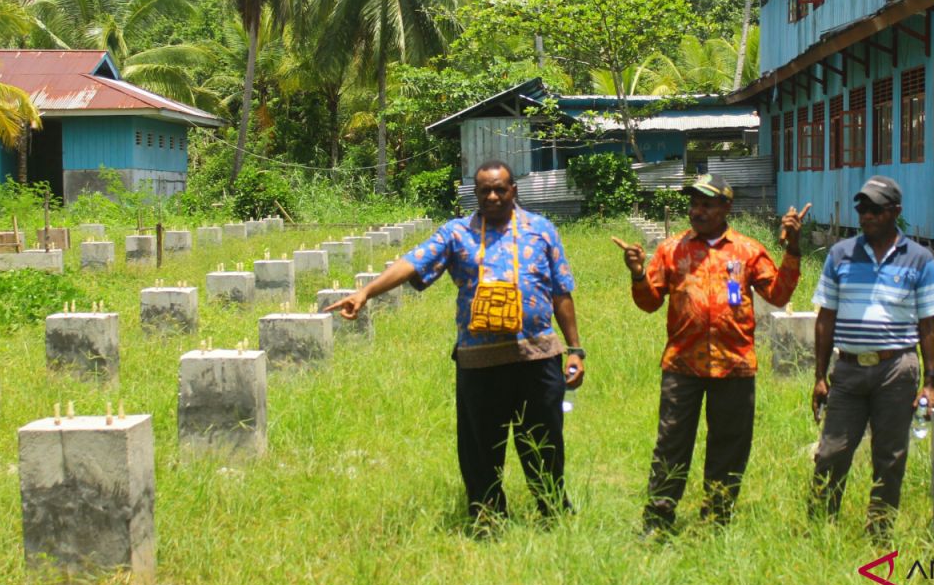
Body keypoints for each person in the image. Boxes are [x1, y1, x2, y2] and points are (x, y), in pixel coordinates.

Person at [326, 160, 585, 525]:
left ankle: (552, 513)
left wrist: (575, 350)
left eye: (500, 189)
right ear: (475, 194)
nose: (493, 196)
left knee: (544, 443)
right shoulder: (456, 233)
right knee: (480, 449)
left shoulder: (541, 231)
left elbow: (561, 293)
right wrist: (367, 291)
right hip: (479, 362)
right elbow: (413, 262)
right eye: (484, 191)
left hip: (537, 358)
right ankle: (488, 519)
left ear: (515, 190)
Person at [614, 173, 810, 532]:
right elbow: (649, 303)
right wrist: (639, 274)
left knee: (729, 446)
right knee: (671, 444)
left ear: (726, 208)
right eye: (694, 203)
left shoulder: (747, 251)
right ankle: (658, 519)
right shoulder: (672, 249)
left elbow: (778, 296)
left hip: (734, 366)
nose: (697, 211)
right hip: (682, 365)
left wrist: (793, 249)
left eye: (706, 204)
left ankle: (717, 519)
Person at [809, 175, 934, 539]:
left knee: (890, 456)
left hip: (896, 370)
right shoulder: (840, 254)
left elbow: (928, 323)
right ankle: (820, 527)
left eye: (874, 210)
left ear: (895, 212)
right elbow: (826, 318)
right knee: (831, 452)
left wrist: (930, 383)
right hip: (850, 371)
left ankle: (879, 532)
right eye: (862, 209)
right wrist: (820, 376)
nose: (865, 216)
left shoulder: (919, 259)